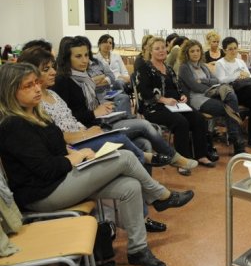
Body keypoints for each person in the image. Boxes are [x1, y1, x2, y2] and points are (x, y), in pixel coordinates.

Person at [0, 63, 195, 266]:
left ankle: (138, 250)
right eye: (28, 86)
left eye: (37, 83)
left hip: (61, 180)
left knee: (130, 186)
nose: (38, 88)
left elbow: (55, 148)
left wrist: (73, 154)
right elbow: (44, 169)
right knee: (126, 157)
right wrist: (76, 157)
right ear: (10, 92)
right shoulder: (13, 125)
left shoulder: (37, 115)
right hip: (43, 194)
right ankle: (161, 196)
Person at [18, 46, 175, 233]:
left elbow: (71, 122)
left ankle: (140, 236)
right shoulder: (31, 111)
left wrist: (90, 129)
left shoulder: (52, 95)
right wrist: (83, 141)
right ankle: (159, 189)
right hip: (72, 153)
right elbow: (57, 144)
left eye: (52, 67)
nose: (53, 72)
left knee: (141, 147)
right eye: (31, 83)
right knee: (130, 144)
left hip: (79, 143)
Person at [52, 36, 196, 175]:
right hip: (91, 130)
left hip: (100, 122)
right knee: (145, 125)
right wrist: (95, 112)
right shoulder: (63, 81)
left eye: (86, 55)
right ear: (67, 58)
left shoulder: (84, 78)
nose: (84, 60)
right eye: (78, 56)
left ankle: (145, 192)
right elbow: (69, 118)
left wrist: (102, 108)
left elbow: (93, 99)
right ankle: (174, 158)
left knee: (145, 143)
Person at [135, 36, 218, 172]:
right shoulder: (144, 68)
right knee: (181, 122)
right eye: (157, 48)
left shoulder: (168, 68)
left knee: (199, 119)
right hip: (154, 107)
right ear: (150, 51)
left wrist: (182, 96)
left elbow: (177, 88)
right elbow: (144, 92)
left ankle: (201, 155)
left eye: (163, 47)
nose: (161, 51)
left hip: (175, 105)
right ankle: (182, 161)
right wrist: (163, 99)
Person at [178, 39, 245, 154]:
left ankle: (234, 141)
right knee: (230, 109)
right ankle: (237, 142)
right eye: (192, 51)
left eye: (198, 50)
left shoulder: (203, 66)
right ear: (187, 53)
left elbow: (216, 80)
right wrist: (208, 85)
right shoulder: (184, 67)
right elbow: (195, 87)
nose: (195, 53)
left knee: (230, 97)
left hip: (210, 96)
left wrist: (203, 80)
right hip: (197, 100)